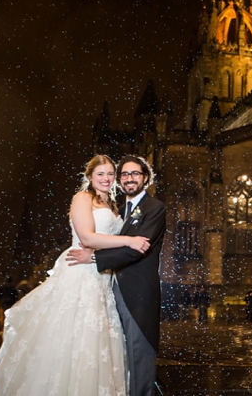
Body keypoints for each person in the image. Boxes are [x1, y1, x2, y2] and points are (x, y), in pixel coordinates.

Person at [0, 155, 150, 396]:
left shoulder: (113, 206)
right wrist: (129, 240)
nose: (106, 179)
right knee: (76, 337)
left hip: (102, 278)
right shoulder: (82, 198)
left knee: (99, 342)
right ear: (89, 177)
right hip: (82, 274)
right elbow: (86, 238)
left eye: (110, 174)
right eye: (100, 174)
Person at [67, 154, 166, 396]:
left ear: (145, 177)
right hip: (107, 287)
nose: (129, 178)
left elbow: (135, 251)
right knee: (113, 352)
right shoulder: (118, 209)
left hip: (138, 292)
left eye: (135, 174)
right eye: (124, 174)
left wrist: (93, 258)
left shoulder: (155, 208)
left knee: (138, 351)